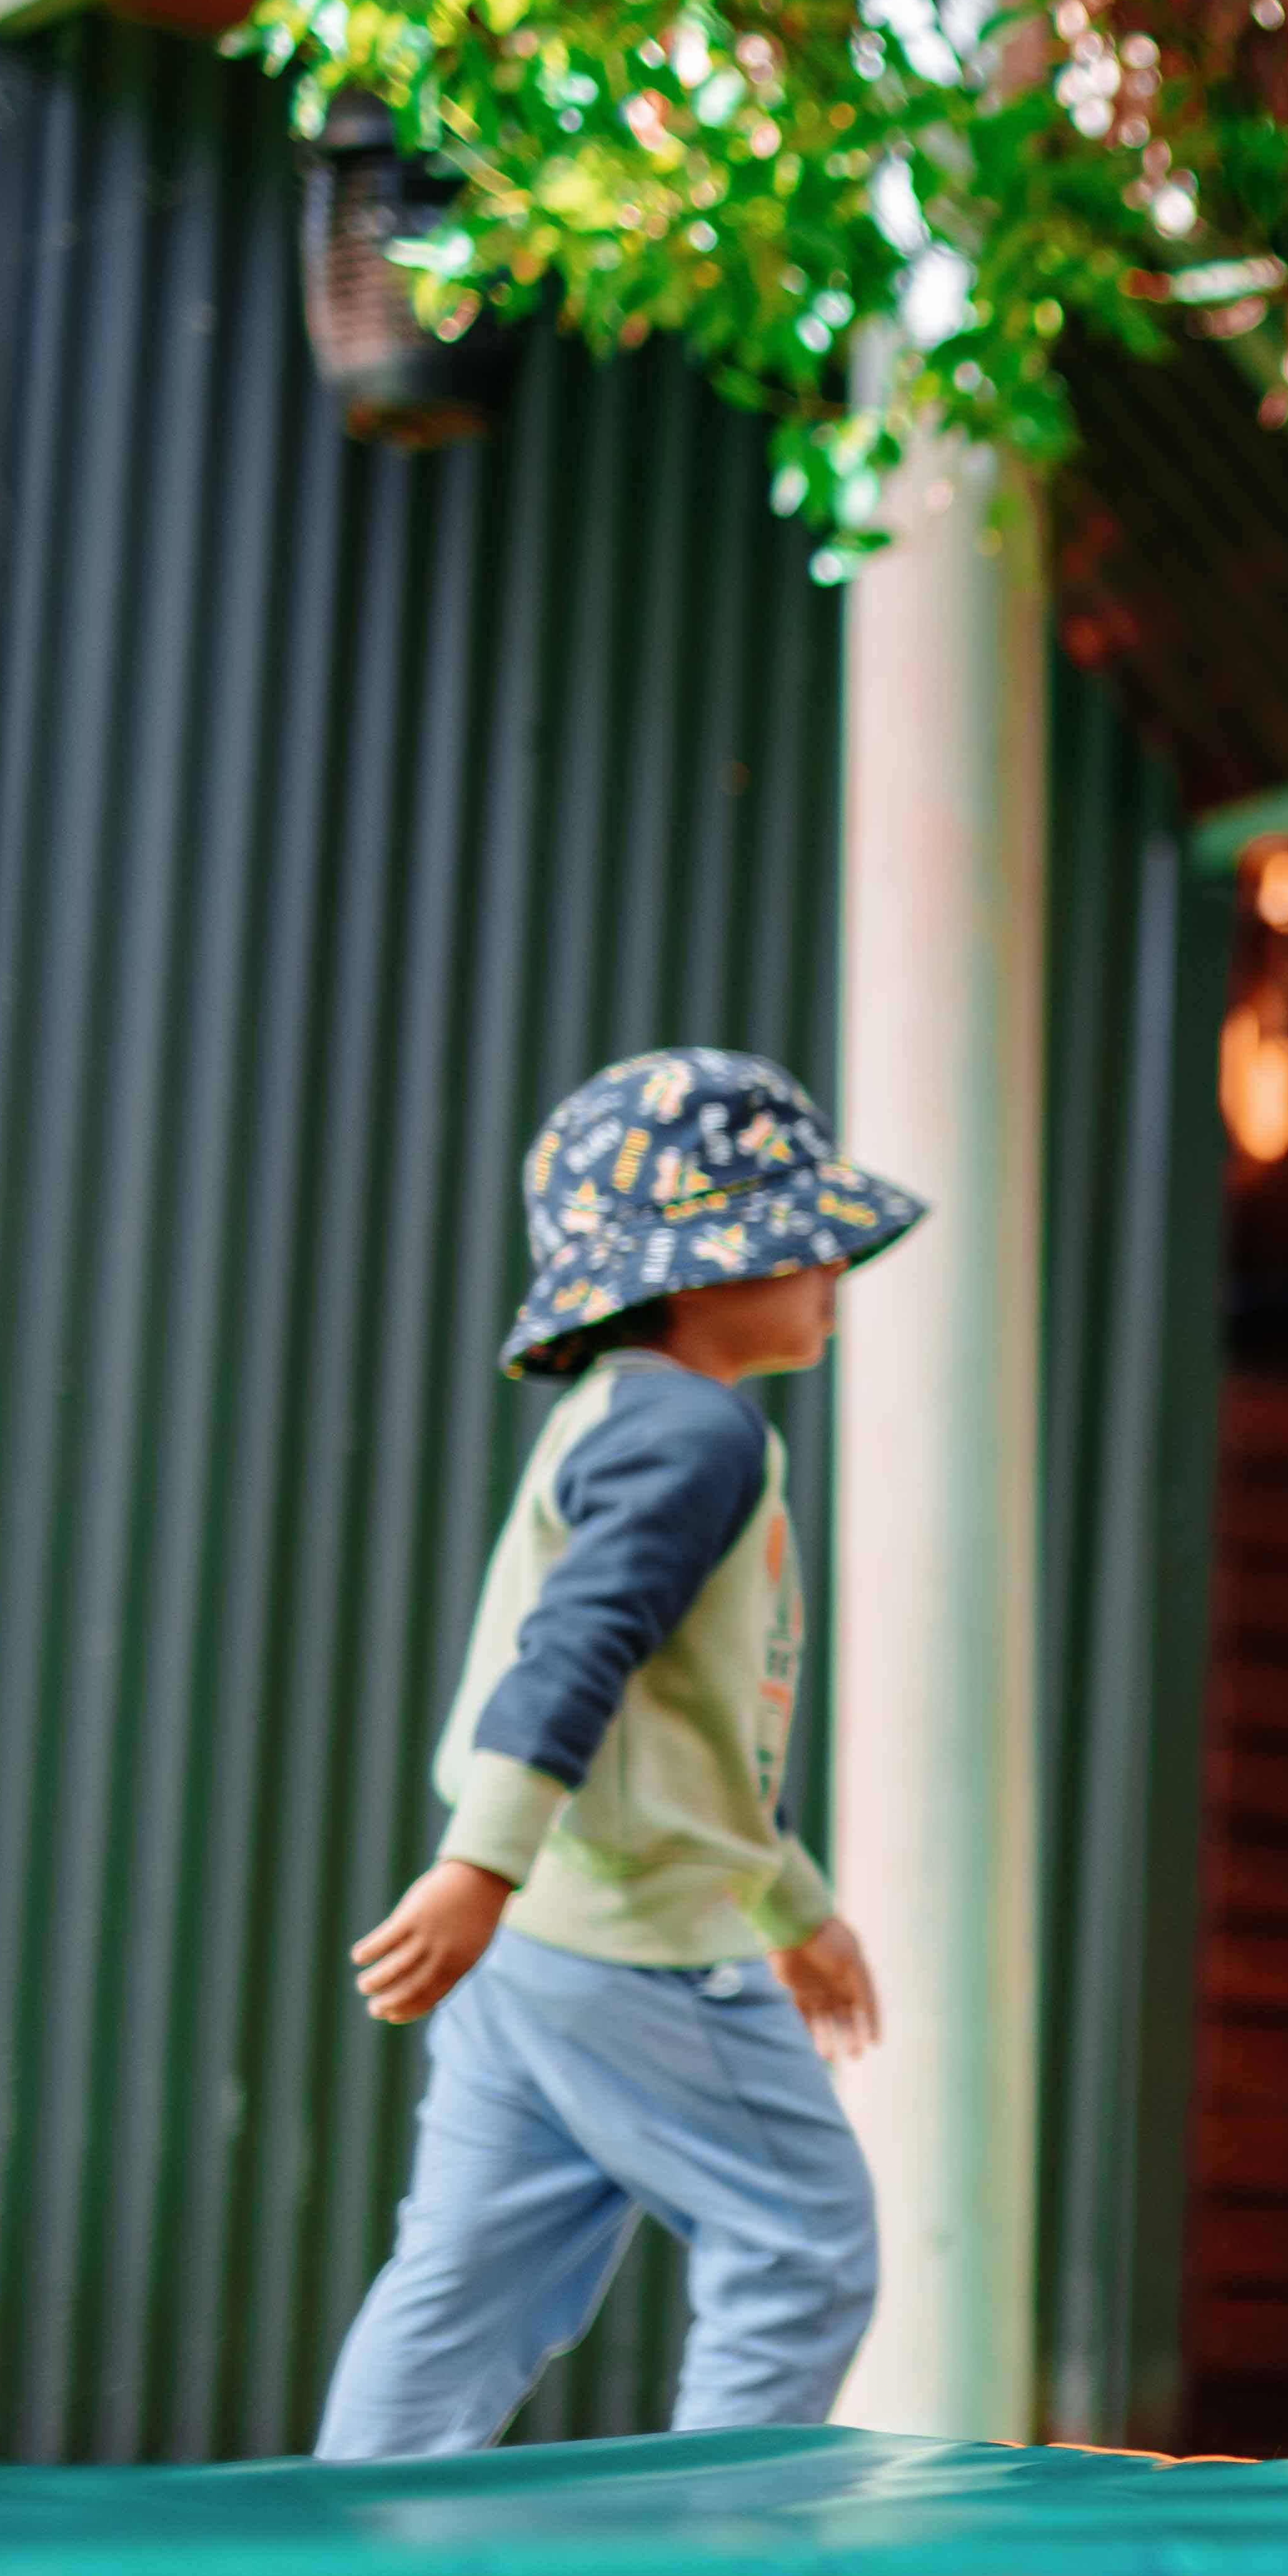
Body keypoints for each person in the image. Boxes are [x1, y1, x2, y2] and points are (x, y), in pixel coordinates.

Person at [314, 1048, 923, 2458]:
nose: (833, 1271)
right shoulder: (691, 1432)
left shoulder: (622, 1422)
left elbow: (683, 1748)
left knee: (466, 2285)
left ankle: (348, 2548)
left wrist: (797, 1909)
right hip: (628, 1943)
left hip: (541, 1936)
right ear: (707, 1270)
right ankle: (714, 2560)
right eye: (805, 1243)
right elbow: (573, 1651)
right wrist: (478, 1863)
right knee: (804, 2246)